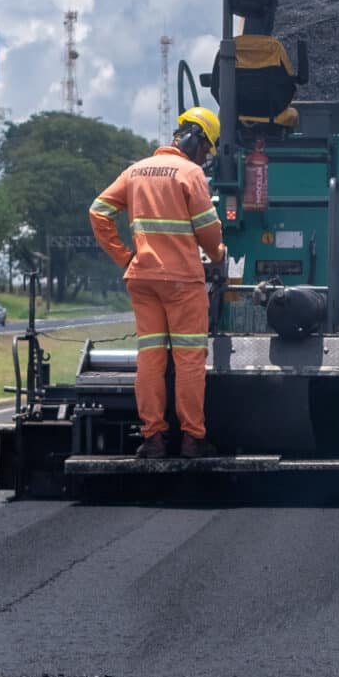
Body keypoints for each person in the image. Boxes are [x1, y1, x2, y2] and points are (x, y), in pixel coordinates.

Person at [91, 107, 229, 459]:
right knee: (188, 360)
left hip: (143, 280)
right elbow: (209, 229)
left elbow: (99, 211)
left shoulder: (136, 171)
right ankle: (192, 439)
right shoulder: (190, 173)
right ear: (198, 142)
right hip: (182, 281)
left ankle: (152, 438)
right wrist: (218, 255)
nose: (205, 158)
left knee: (150, 358)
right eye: (207, 150)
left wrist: (126, 257)